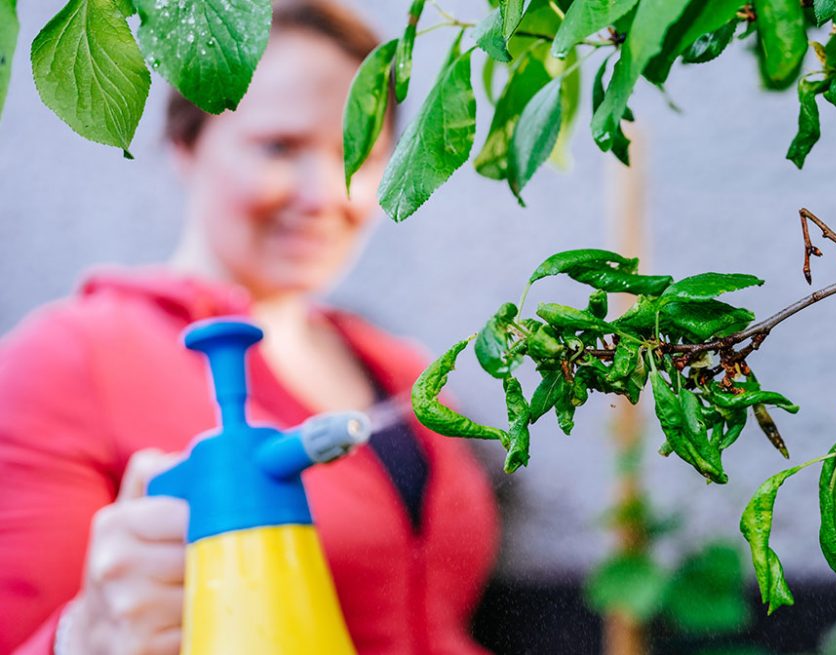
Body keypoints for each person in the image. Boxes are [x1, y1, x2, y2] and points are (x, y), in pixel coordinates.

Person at [0, 1, 499, 653]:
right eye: (280, 146)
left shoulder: (401, 369)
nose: (326, 192)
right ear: (186, 143)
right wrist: (86, 634)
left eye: (359, 152)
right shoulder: (70, 356)